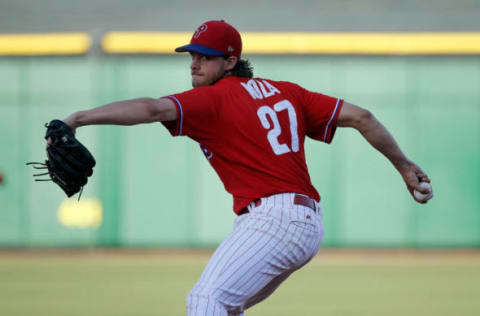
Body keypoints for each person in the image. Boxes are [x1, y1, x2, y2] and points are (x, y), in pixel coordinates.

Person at [58, 20, 431, 316]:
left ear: (230, 61)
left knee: (205, 301)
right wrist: (403, 165)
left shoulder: (214, 98)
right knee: (227, 307)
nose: (194, 63)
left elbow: (153, 109)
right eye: (192, 55)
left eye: (205, 56)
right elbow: (361, 117)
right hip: (303, 222)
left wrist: (80, 117)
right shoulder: (288, 92)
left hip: (275, 218)